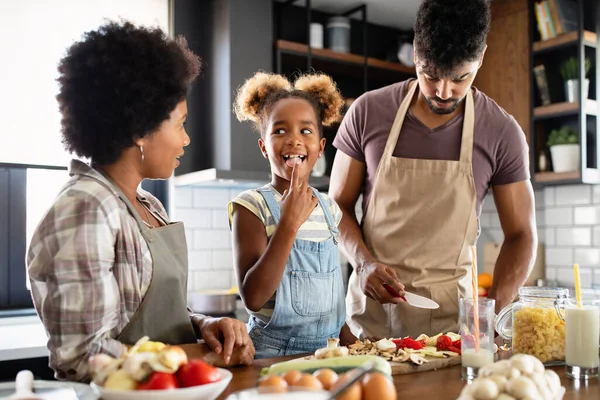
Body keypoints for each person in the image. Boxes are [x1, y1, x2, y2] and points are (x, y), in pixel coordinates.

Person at [26, 21, 254, 382]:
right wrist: (200, 358)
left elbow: (158, 319)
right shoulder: (86, 208)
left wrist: (203, 324)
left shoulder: (149, 206)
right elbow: (84, 355)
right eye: (180, 124)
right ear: (140, 129)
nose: (187, 139)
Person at [329, 0, 537, 341]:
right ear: (414, 52)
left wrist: (491, 317)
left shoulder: (501, 132)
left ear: (481, 57)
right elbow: (337, 206)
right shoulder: (368, 112)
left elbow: (522, 235)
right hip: (371, 320)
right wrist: (363, 263)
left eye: (460, 78)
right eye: (430, 74)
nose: (443, 92)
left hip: (454, 328)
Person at [229, 72, 350, 358]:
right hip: (271, 353)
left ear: (320, 148)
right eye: (280, 131)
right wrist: (288, 224)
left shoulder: (330, 209)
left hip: (329, 353)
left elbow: (331, 297)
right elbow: (254, 298)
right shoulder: (251, 206)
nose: (294, 141)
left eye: (305, 131)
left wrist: (352, 340)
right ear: (264, 147)